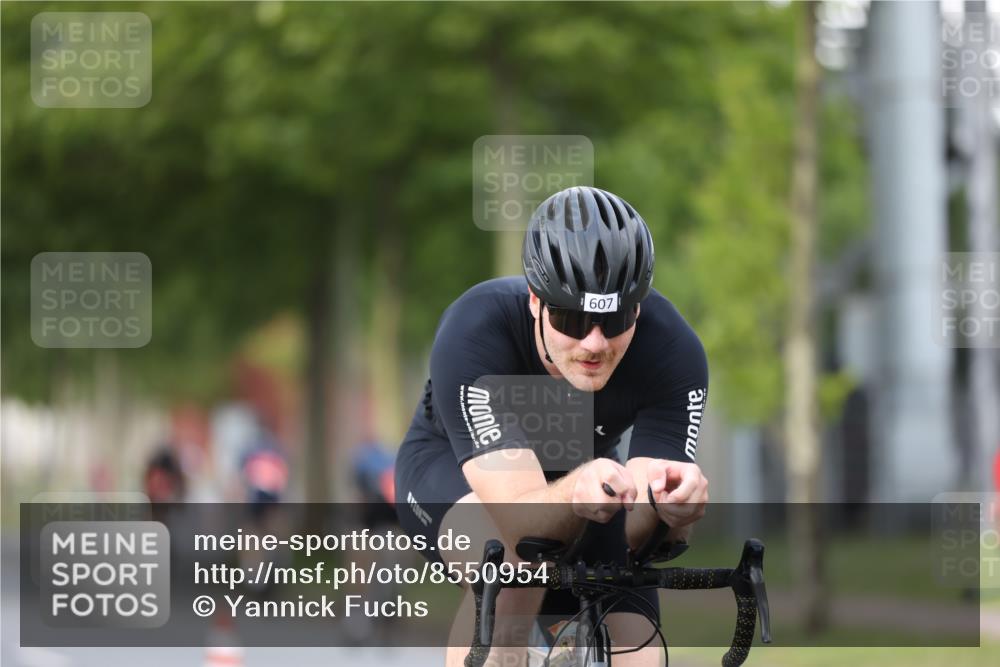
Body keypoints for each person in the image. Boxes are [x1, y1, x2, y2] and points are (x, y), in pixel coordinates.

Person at [395, 186, 710, 667]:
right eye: (571, 318)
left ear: (638, 309)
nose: (594, 343)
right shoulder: (475, 332)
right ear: (535, 302)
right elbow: (520, 522)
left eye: (616, 319)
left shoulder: (672, 352)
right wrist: (576, 489)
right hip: (454, 474)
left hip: (587, 479)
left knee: (639, 651)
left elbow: (640, 536)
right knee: (514, 568)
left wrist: (670, 507)